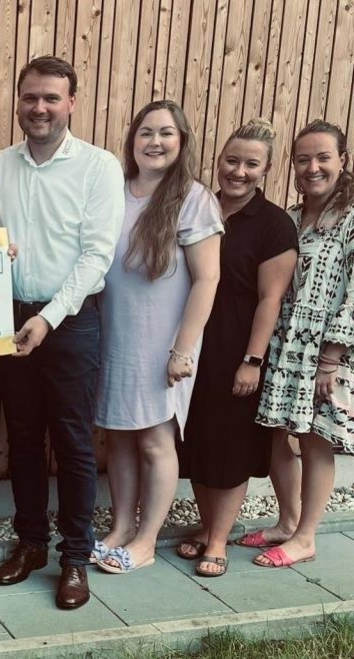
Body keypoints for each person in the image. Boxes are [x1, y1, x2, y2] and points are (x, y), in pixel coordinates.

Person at [0, 55, 125, 609]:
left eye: (50, 98)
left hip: (70, 322)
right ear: (18, 102)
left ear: (71, 103)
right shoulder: (0, 166)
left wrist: (49, 317)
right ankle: (31, 544)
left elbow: (97, 256)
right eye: (30, 97)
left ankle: (75, 558)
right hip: (11, 318)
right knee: (22, 439)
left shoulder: (98, 166)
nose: (39, 107)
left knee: (71, 442)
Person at [93, 100, 223, 575]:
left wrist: (182, 350)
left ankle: (147, 540)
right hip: (114, 335)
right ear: (133, 139)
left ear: (182, 142)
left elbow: (207, 279)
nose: (155, 142)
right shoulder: (115, 191)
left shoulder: (193, 198)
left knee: (154, 440)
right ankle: (120, 527)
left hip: (163, 342)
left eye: (166, 133)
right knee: (118, 438)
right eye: (146, 132)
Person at [178, 119, 297, 577]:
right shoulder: (198, 207)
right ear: (219, 160)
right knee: (198, 441)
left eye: (251, 164)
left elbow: (270, 300)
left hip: (237, 347)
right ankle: (209, 527)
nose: (239, 172)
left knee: (229, 446)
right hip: (194, 343)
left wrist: (252, 360)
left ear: (266, 170)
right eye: (232, 161)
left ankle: (218, 541)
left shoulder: (274, 225)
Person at [251, 119, 354, 567]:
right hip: (284, 344)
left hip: (327, 352)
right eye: (303, 159)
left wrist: (332, 357)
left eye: (323, 157)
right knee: (277, 434)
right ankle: (287, 521)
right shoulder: (290, 219)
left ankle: (306, 536)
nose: (313, 167)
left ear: (342, 160)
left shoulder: (350, 218)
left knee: (315, 440)